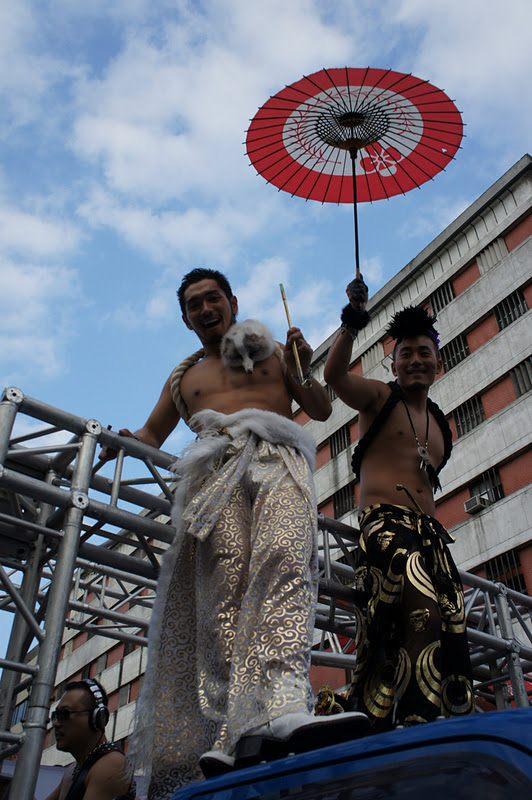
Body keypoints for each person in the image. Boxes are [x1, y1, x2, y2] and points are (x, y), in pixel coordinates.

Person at [101, 269, 367, 798]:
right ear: (185, 318)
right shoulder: (183, 378)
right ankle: (231, 727)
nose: (205, 308)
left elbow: (318, 408)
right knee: (223, 594)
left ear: (231, 301)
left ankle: (285, 702)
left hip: (277, 458)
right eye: (194, 304)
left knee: (285, 561)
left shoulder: (268, 349)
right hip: (213, 475)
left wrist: (303, 365)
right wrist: (124, 438)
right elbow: (153, 435)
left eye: (212, 298)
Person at [323, 277, 473, 732]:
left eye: (423, 352)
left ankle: (441, 722)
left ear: (438, 361)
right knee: (420, 606)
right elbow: (333, 377)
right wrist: (351, 320)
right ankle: (412, 721)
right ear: (394, 362)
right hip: (385, 527)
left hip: (430, 535)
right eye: (405, 353)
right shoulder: (379, 397)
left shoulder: (441, 425)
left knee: (452, 621)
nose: (414, 361)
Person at [45, 679, 135, 800]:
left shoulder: (111, 764)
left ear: (98, 718)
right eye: (55, 716)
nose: (56, 723)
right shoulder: (73, 769)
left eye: (65, 714)